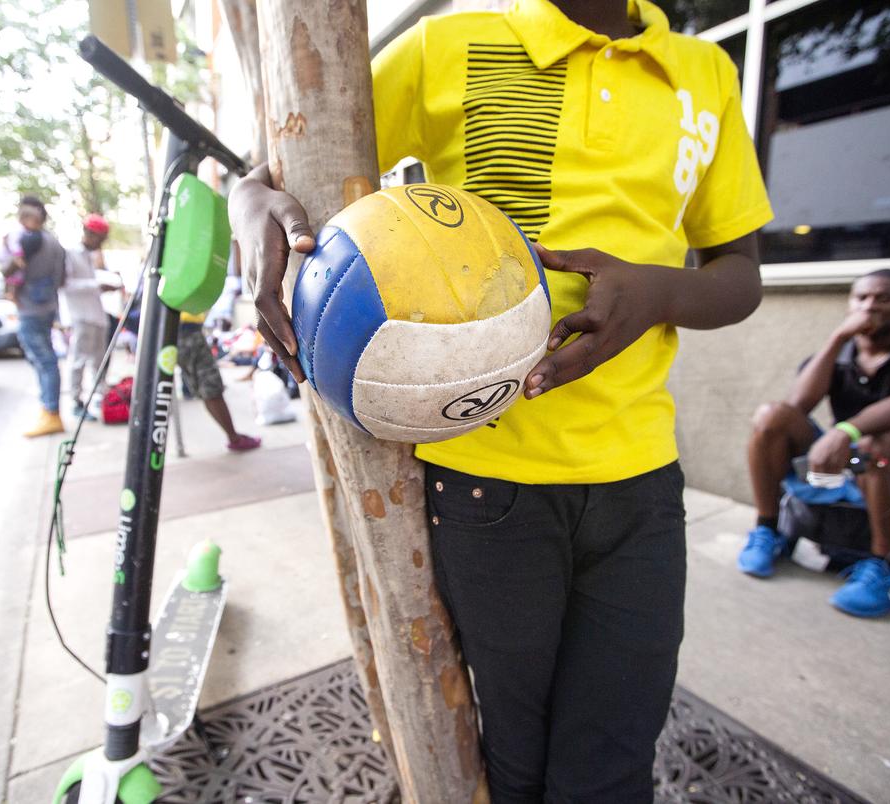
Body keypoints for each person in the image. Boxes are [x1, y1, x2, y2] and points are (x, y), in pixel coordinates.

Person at [229, 1, 773, 800]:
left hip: (639, 480)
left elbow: (740, 272)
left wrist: (658, 291)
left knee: (617, 748)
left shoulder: (705, 72)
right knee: (515, 747)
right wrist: (249, 200)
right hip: (482, 479)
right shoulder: (450, 44)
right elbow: (277, 162)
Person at [739, 269, 890, 617]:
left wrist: (845, 431)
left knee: (877, 444)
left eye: (884, 298)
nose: (870, 306)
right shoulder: (837, 355)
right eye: (861, 298)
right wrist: (837, 339)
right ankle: (768, 532)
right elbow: (797, 406)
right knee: (771, 417)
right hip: (837, 475)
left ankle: (884, 568)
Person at [0, 195, 67, 437]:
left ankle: (51, 411)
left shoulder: (28, 241)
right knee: (45, 358)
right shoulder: (54, 243)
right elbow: (61, 279)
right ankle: (48, 409)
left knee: (44, 360)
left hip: (31, 308)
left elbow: (9, 270)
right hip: (47, 306)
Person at [177, 310, 262, 451]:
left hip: (183, 330)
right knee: (211, 387)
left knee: (207, 389)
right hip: (186, 329)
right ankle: (234, 438)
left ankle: (233, 437)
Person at [62, 214, 113, 421]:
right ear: (90, 234)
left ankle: (100, 397)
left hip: (97, 316)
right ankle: (76, 401)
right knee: (79, 360)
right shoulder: (71, 254)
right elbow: (66, 285)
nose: (100, 243)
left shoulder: (90, 257)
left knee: (99, 360)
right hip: (81, 316)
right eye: (99, 238)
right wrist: (97, 285)